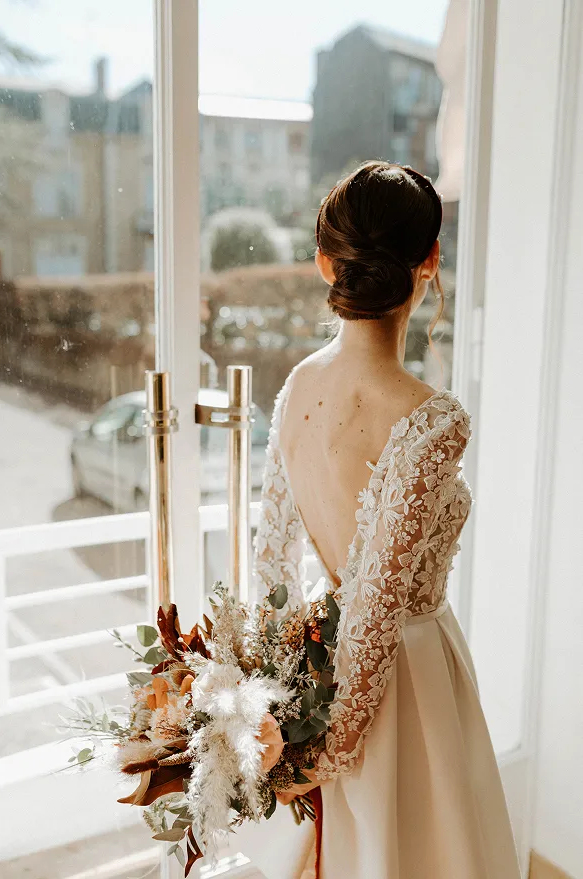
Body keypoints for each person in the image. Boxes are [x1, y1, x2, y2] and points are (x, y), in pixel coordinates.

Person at [246, 162, 523, 879]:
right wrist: (332, 755)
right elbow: (374, 612)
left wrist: (281, 708)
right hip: (410, 692)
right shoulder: (430, 417)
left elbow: (270, 568)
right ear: (430, 260)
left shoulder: (296, 386)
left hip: (316, 672)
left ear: (324, 264)